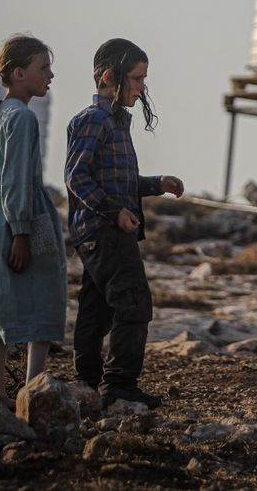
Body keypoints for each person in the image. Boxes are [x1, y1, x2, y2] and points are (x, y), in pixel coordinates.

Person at [65, 38, 185, 409]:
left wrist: (155, 185)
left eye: (143, 78)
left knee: (97, 306)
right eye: (136, 78)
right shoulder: (94, 120)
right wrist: (113, 212)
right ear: (109, 77)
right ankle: (119, 385)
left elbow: (117, 181)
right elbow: (76, 176)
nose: (142, 87)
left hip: (101, 231)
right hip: (104, 231)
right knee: (133, 303)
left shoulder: (116, 122)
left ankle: (87, 382)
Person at [0, 35, 65, 407]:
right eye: (44, 68)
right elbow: (14, 180)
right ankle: (33, 391)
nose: (51, 75)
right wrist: (22, 233)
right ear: (19, 73)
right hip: (19, 218)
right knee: (46, 295)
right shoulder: (22, 117)